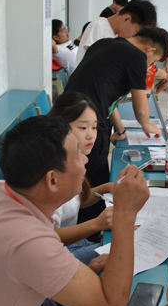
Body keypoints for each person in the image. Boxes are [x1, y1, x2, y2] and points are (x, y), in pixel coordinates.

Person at [0, 115, 150, 306]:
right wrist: (125, 213)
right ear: (52, 180)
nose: (85, 159)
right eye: (77, 155)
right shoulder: (27, 240)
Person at [65, 25, 168, 192]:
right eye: (153, 61)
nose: (150, 65)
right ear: (150, 50)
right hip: (87, 125)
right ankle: (91, 208)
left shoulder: (104, 43)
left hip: (67, 117)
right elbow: (141, 109)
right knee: (94, 180)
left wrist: (120, 131)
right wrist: (147, 125)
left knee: (76, 175)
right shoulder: (138, 56)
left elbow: (107, 97)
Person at [48, 92, 119, 263]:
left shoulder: (74, 158)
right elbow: (47, 237)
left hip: (73, 243)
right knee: (122, 251)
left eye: (94, 127)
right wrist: (97, 224)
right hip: (56, 252)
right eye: (83, 128)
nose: (91, 135)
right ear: (61, 127)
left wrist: (106, 188)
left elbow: (74, 201)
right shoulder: (54, 172)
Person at [75, 0, 157, 65]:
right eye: (136, 31)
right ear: (127, 19)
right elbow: (96, 63)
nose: (134, 37)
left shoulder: (116, 35)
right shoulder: (98, 27)